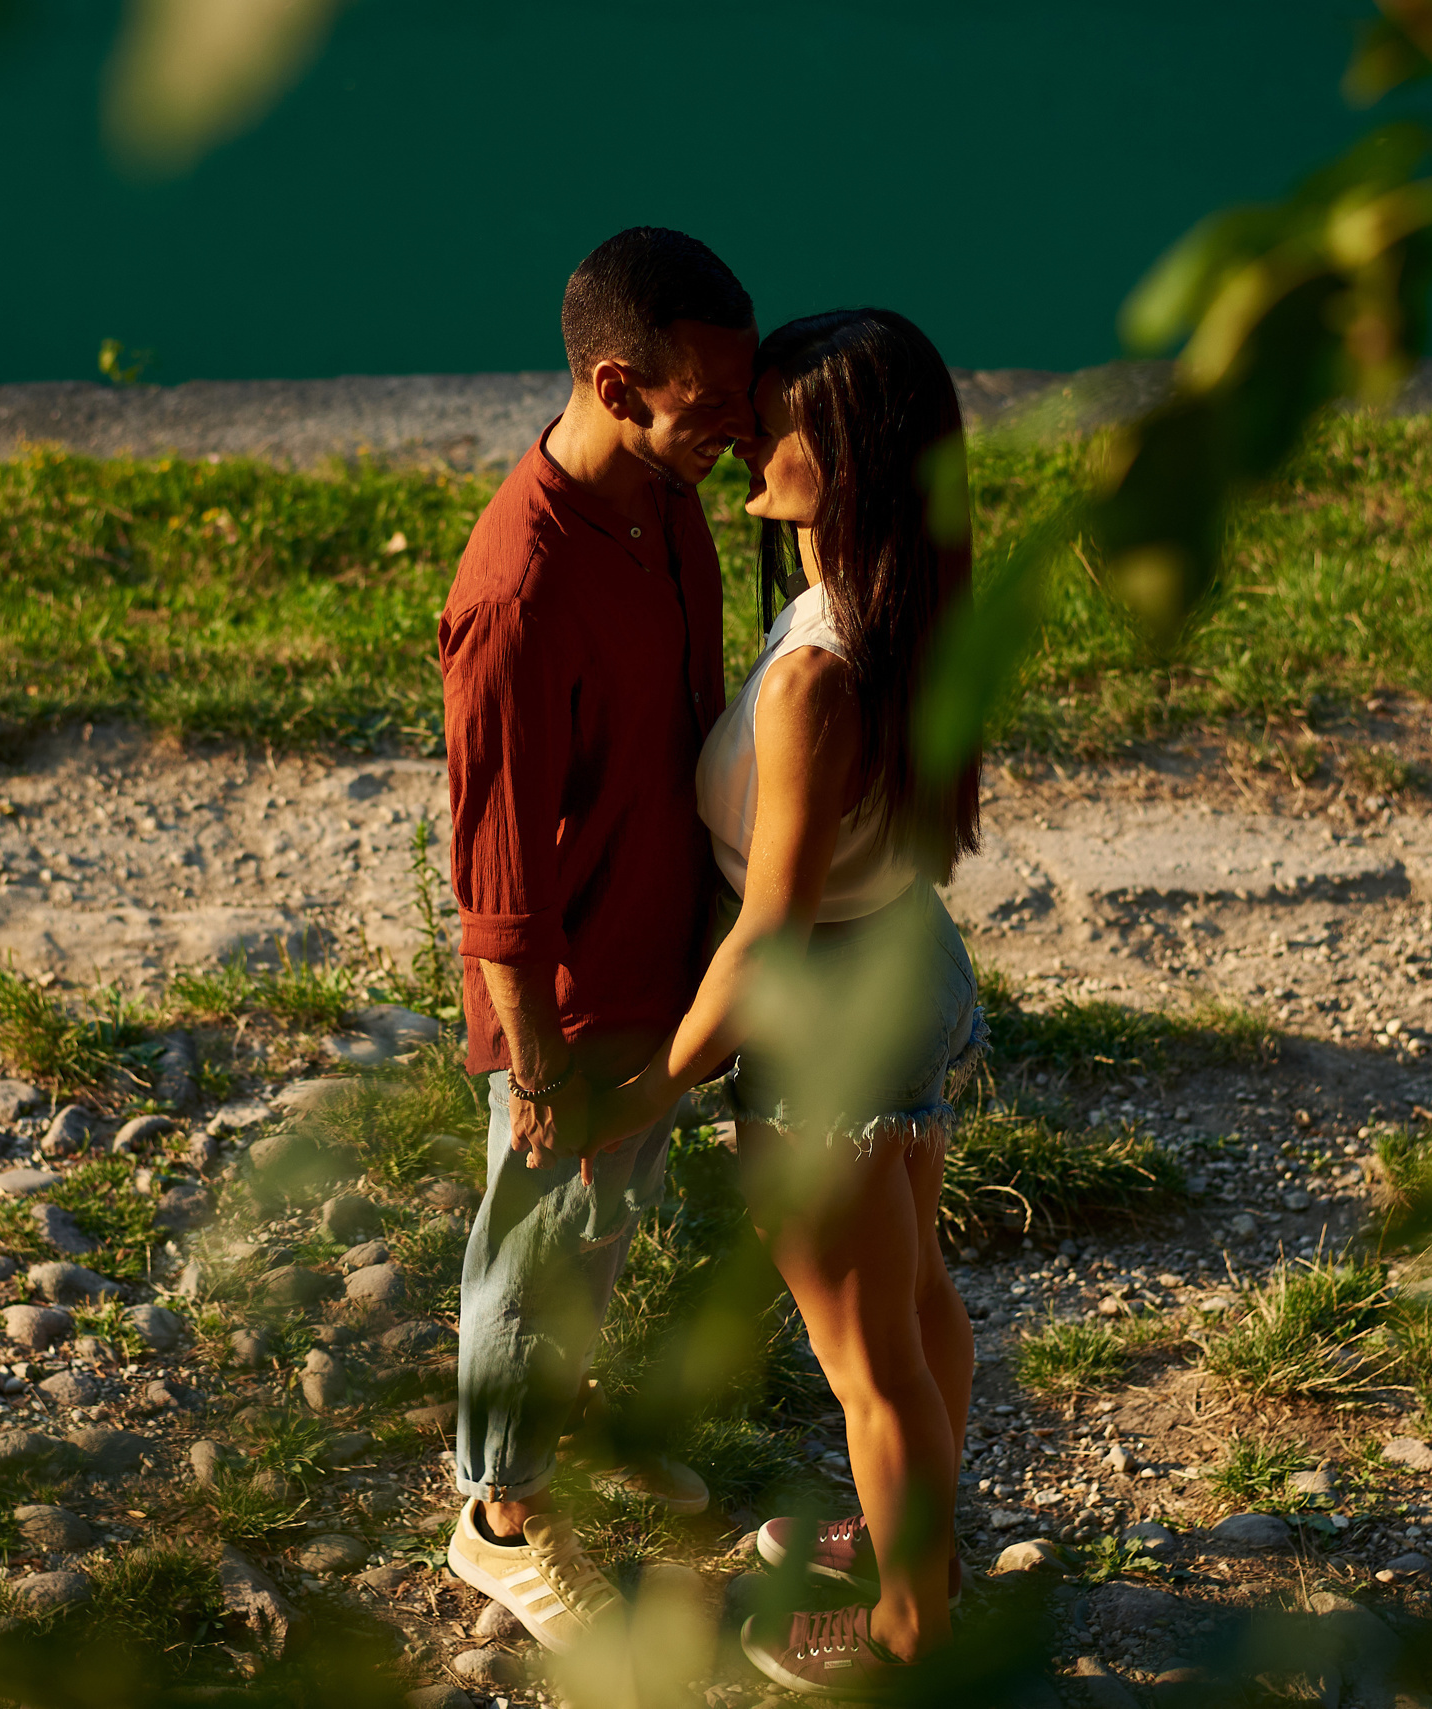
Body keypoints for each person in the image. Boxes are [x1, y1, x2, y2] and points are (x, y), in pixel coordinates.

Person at [589, 307, 988, 1694]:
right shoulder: (899, 607)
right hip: (908, 960)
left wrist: (652, 1084)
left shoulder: (816, 673)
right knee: (916, 1298)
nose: (749, 434)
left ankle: (909, 1634)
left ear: (856, 456)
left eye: (777, 418)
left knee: (864, 1363)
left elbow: (764, 936)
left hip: (825, 1014)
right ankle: (916, 1555)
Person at [436, 226, 757, 1648]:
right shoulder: (518, 591)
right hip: (575, 996)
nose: (734, 438)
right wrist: (544, 1070)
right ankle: (497, 1516)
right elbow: (495, 874)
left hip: (664, 949)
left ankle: (556, 1437)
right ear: (619, 383)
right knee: (535, 1249)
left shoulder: (662, 503)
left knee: (602, 1234)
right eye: (711, 413)